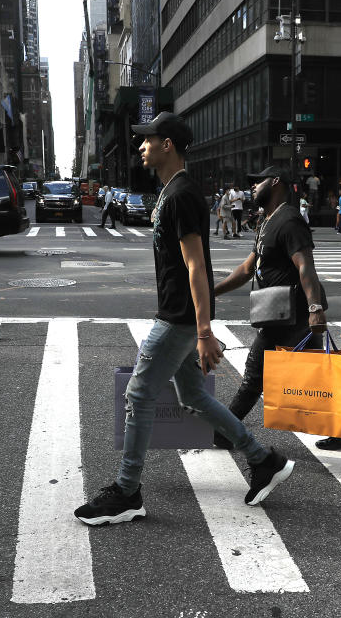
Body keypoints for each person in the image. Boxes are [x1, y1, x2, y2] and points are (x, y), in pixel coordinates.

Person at [74, 113, 295, 526]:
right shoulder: (173, 192)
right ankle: (263, 459)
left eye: (148, 140)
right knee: (194, 397)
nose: (142, 147)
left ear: (168, 144)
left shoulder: (180, 195)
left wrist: (204, 330)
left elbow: (197, 267)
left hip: (177, 320)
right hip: (179, 316)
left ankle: (126, 491)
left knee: (139, 396)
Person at [214, 166, 341, 451]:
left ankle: (227, 432)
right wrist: (212, 292)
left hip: (292, 316)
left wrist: (315, 308)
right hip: (277, 312)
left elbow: (305, 265)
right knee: (319, 374)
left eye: (258, 181)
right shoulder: (268, 221)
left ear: (276, 182)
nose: (253, 187)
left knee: (254, 374)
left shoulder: (290, 220)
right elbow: (247, 269)